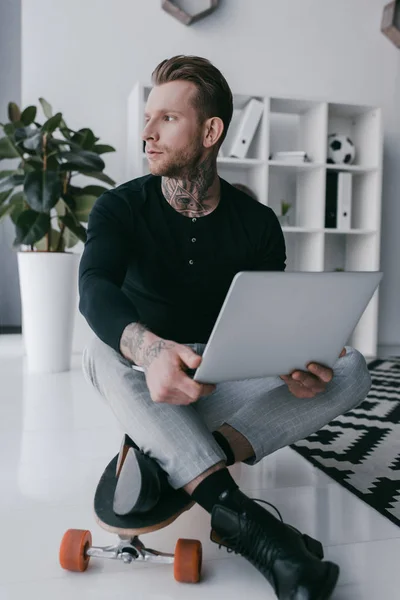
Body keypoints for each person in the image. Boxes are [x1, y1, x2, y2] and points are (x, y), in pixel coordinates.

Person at [79, 55, 372, 599]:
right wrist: (149, 351)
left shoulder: (258, 223)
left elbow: (269, 319)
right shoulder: (119, 208)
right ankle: (257, 531)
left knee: (351, 369)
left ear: (210, 131)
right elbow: (94, 287)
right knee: (101, 350)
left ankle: (171, 457)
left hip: (222, 374)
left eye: (166, 118)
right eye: (147, 117)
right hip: (148, 374)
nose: (146, 133)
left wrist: (293, 365)